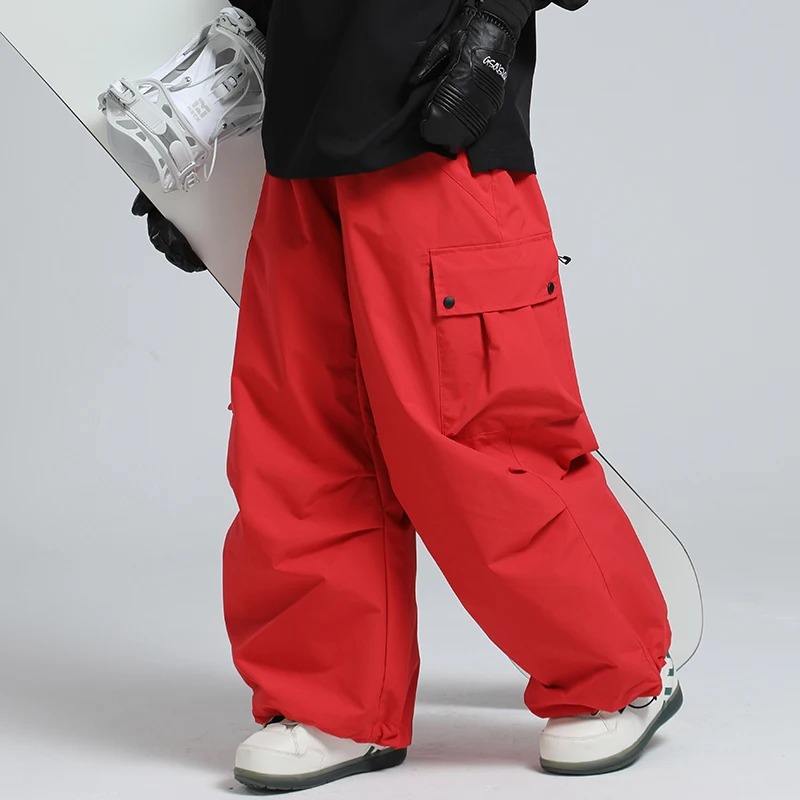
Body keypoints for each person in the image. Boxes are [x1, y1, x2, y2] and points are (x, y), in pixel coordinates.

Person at [137, 0, 681, 790]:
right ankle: (332, 704)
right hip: (300, 152)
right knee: (298, 445)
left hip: (436, 132)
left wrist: (499, 16)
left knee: (480, 440)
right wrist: (208, 159)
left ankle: (621, 673)